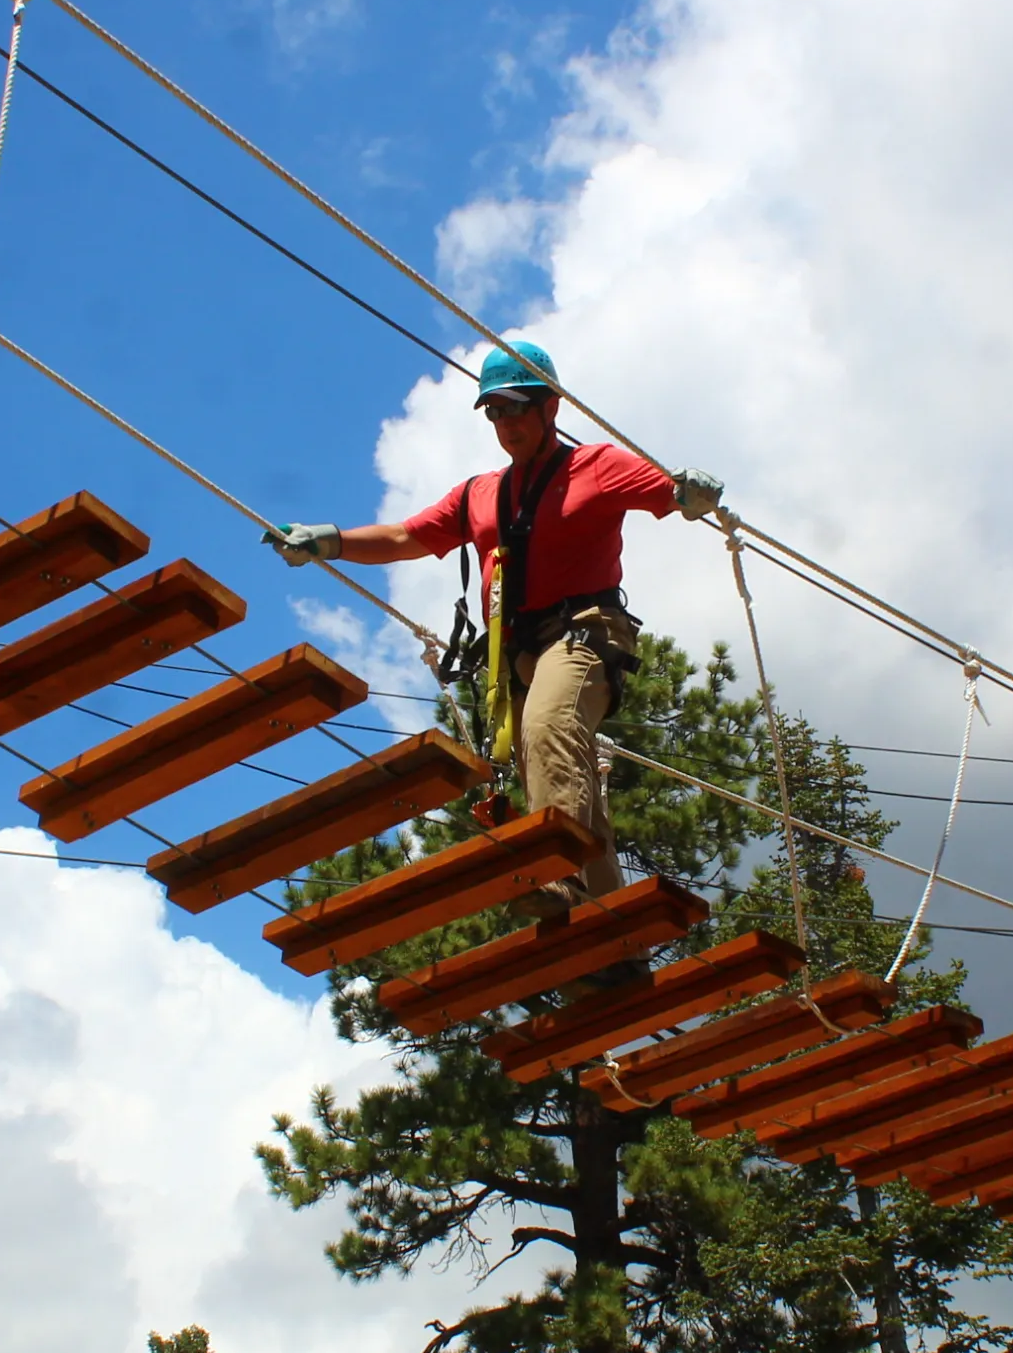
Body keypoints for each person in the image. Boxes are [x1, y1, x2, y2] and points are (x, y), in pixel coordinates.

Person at [264, 340, 722, 923]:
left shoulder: (596, 467)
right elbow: (407, 537)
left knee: (550, 727)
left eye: (514, 408)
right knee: (557, 776)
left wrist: (690, 493)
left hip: (584, 636)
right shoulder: (481, 494)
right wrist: (327, 540)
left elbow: (666, 490)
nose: (505, 424)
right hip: (518, 658)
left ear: (549, 407)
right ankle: (613, 934)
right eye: (494, 412)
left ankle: (554, 877)